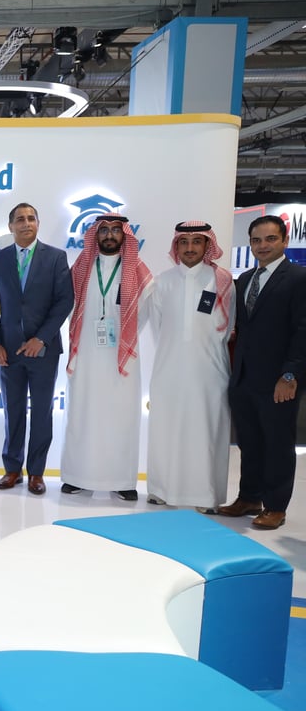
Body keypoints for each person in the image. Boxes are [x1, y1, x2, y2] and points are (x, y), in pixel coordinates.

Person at [217, 215, 306, 530]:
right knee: (250, 442)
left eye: (270, 239)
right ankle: (249, 498)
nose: (262, 246)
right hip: (244, 377)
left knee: (277, 444)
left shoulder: (298, 278)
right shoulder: (244, 279)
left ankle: (276, 506)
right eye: (256, 240)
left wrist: (290, 375)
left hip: (279, 380)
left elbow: (302, 331)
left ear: (284, 240)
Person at [60, 214, 153, 500]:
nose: (109, 235)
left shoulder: (137, 271)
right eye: (104, 230)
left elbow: (145, 311)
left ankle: (122, 480)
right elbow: (69, 306)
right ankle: (78, 476)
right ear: (95, 235)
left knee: (121, 417)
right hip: (86, 354)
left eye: (115, 230)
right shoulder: (81, 268)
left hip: (121, 359)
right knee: (82, 413)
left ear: (125, 235)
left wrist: (125, 338)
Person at [0, 202, 73, 495]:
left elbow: (64, 301)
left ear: (38, 223)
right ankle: (12, 469)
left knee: (43, 412)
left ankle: (36, 472)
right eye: (20, 219)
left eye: (31, 218)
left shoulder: (56, 258)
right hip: (8, 351)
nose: (26, 223)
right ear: (10, 226)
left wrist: (41, 339)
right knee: (13, 410)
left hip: (44, 350)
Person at [145, 221, 235, 510]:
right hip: (169, 370)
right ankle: (161, 489)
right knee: (166, 428)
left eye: (197, 241)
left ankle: (205, 495)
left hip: (210, 371)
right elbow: (158, 330)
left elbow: (228, 328)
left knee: (205, 431)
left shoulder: (222, 281)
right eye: (184, 242)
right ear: (176, 246)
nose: (190, 247)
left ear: (208, 245)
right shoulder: (162, 281)